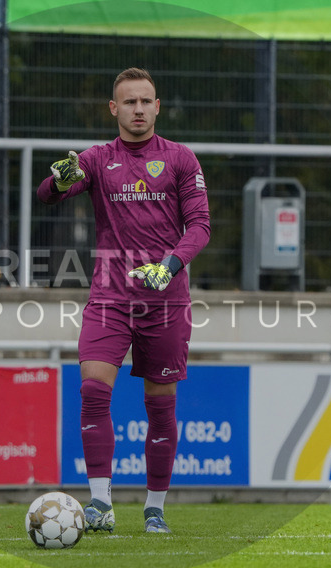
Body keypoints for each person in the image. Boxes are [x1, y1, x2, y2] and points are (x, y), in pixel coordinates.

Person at [36, 67, 210, 534]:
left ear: (158, 106)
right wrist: (57, 180)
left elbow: (200, 226)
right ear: (114, 109)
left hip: (166, 302)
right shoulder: (96, 159)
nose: (138, 109)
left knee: (160, 407)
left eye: (145, 101)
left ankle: (154, 508)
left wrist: (169, 266)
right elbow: (49, 195)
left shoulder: (180, 159)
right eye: (129, 102)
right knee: (93, 390)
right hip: (109, 296)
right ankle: (100, 504)